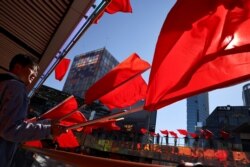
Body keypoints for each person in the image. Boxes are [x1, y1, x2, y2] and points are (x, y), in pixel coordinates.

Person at [0, 54, 66, 167]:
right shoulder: (17, 87)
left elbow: (6, 123)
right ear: (17, 67)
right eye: (32, 70)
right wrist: (49, 130)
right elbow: (10, 130)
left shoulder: (3, 84)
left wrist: (47, 123)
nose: (35, 75)